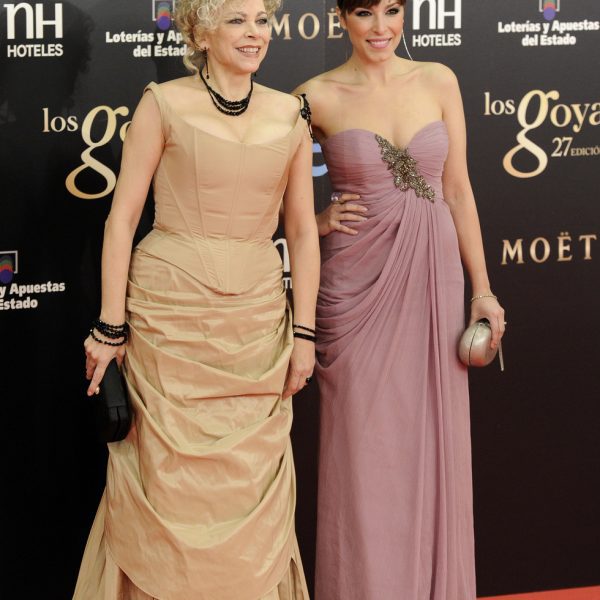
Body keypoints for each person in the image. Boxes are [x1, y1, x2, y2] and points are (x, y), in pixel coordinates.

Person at [75, 0, 319, 598]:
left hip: (257, 325)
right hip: (170, 321)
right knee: (167, 483)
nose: (254, 33)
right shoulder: (163, 104)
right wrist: (110, 328)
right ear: (202, 32)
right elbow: (121, 220)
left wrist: (305, 333)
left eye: (262, 20)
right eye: (237, 20)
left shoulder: (291, 113)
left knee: (249, 483)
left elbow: (303, 230)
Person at [295, 0, 505, 598]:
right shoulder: (313, 97)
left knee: (431, 449)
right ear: (341, 17)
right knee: (364, 462)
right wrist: (317, 220)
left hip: (435, 286)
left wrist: (483, 289)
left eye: (393, 9)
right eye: (365, 12)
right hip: (357, 294)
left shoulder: (439, 80)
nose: (381, 27)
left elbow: (458, 190)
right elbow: (267, 192)